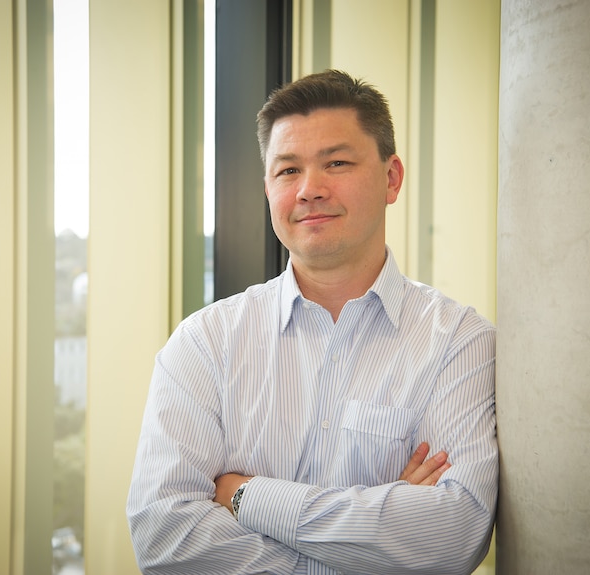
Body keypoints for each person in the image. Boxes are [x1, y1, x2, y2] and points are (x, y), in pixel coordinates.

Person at [127, 69, 497, 575]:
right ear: (267, 189)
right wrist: (376, 538)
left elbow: (452, 536)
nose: (309, 190)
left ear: (391, 178)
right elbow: (165, 542)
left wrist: (246, 496)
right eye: (287, 171)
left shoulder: (460, 343)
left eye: (337, 163)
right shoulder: (204, 343)